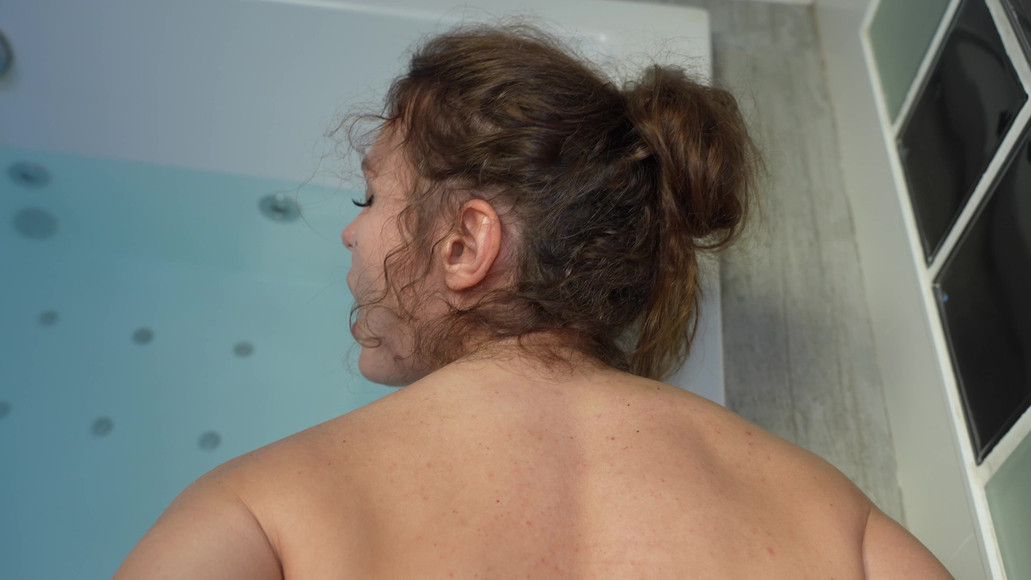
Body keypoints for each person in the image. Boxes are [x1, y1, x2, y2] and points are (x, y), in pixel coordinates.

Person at [115, 25, 952, 578]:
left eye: (368, 199)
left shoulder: (267, 513)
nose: (350, 234)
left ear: (464, 246)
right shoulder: (836, 525)